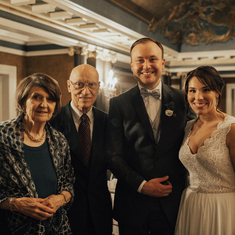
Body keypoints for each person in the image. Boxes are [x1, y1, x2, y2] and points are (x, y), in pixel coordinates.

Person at [106, 37, 195, 235]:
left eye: (152, 59)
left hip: (174, 203)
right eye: (140, 60)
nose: (146, 66)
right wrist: (142, 185)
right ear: (131, 65)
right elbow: (112, 156)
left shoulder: (184, 100)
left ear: (162, 63)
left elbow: (199, 138)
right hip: (132, 203)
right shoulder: (118, 104)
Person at [0, 73, 75, 234]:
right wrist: (15, 204)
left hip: (56, 229)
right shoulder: (3, 137)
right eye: (36, 97)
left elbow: (69, 183)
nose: (44, 104)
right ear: (22, 101)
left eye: (50, 99)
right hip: (12, 228)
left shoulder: (59, 141)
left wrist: (60, 199)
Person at [50, 64, 112, 235]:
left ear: (98, 87)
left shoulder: (107, 121)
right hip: (65, 212)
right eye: (79, 85)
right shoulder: (52, 121)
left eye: (91, 85)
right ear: (69, 85)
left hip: (100, 211)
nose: (86, 91)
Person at [174, 66, 235, 235]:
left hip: (223, 209)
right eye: (192, 91)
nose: (198, 97)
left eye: (205, 89)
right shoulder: (186, 127)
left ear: (217, 92)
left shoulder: (231, 128)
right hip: (191, 205)